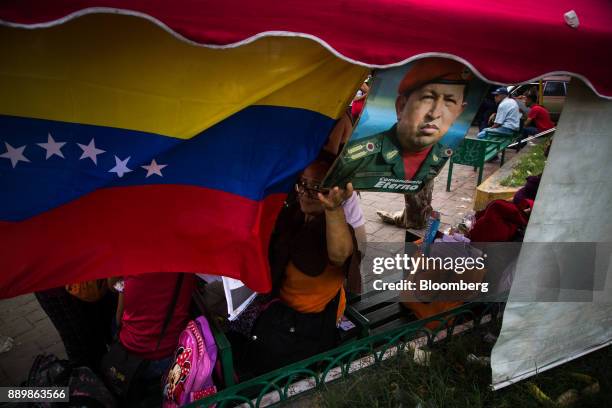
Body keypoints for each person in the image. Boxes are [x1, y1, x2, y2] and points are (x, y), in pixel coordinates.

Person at [245, 155, 359, 375]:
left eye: (318, 187)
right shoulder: (295, 213)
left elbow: (340, 255)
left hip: (301, 328)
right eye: (304, 184)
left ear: (335, 191)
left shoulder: (336, 229)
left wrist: (333, 209)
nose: (307, 193)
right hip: (274, 306)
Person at [325, 58, 471, 194]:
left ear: (459, 112)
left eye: (449, 101)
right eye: (427, 98)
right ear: (401, 106)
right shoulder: (357, 157)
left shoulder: (441, 155)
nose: (435, 114)